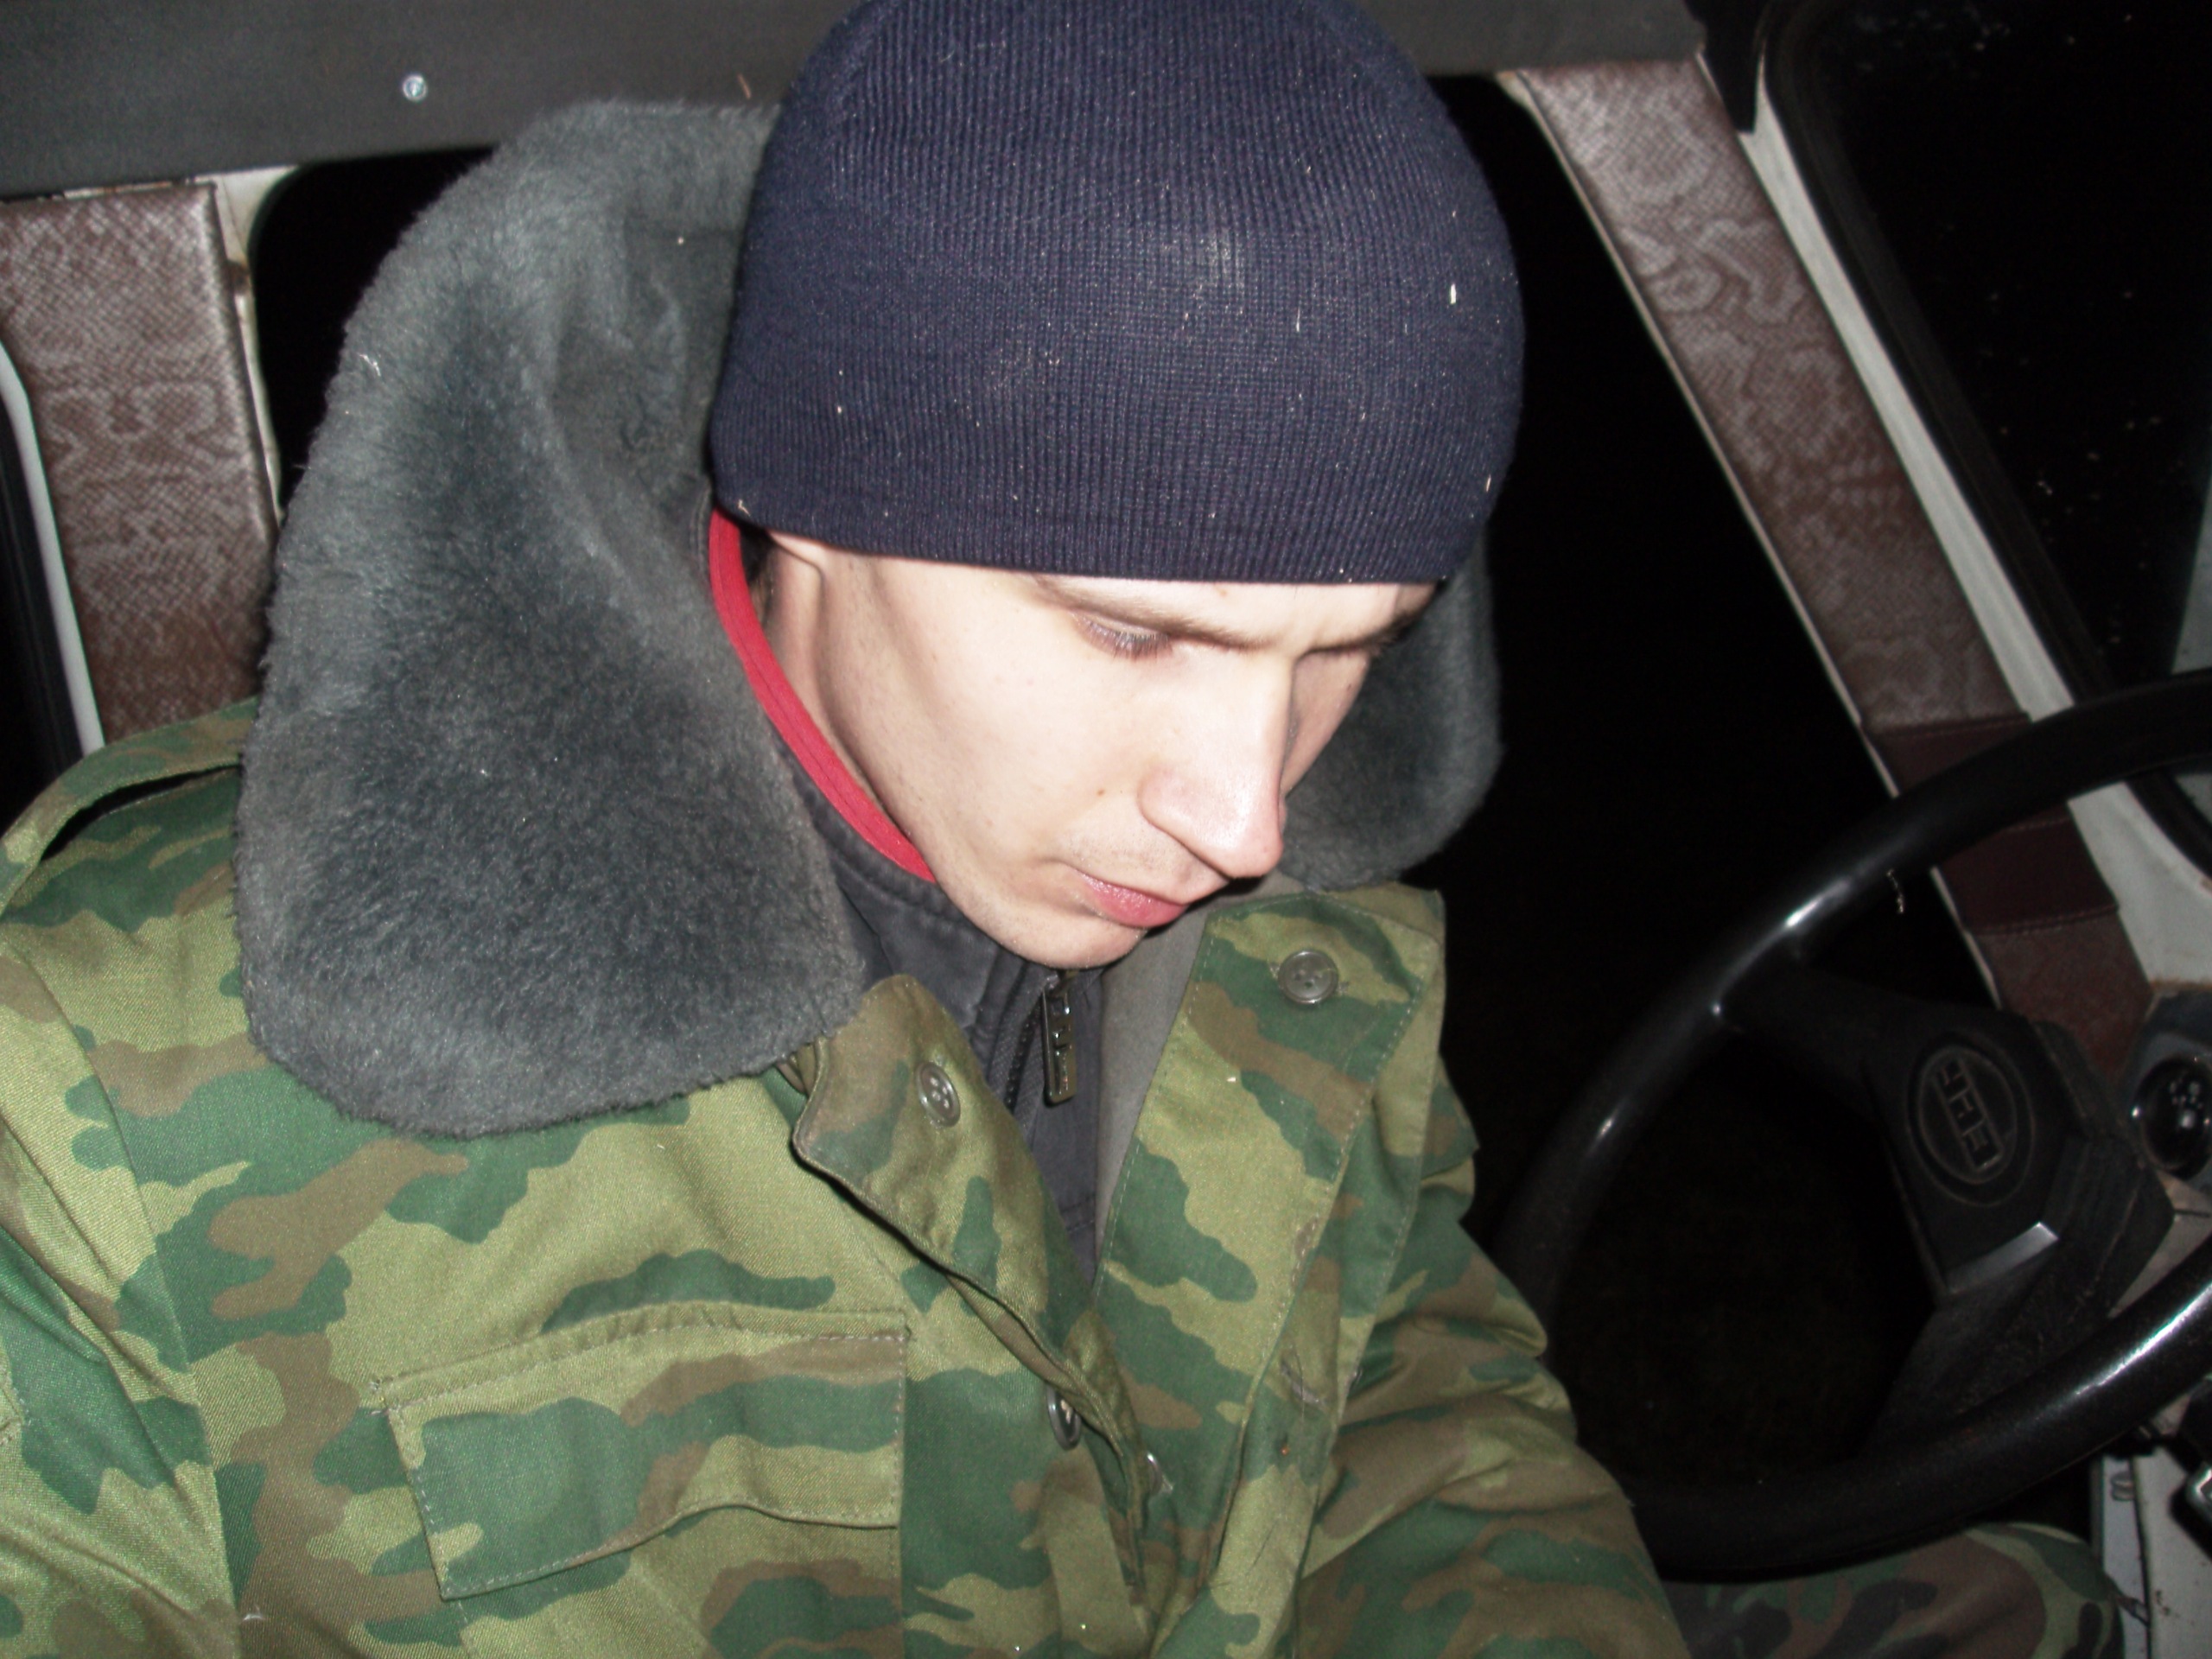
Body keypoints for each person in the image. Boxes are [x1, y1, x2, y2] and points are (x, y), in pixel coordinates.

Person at [0, 1, 2120, 1655]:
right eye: (1131, 635)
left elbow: (1400, 1429)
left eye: (1347, 651)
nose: (1243, 814)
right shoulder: (102, 1109)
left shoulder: (1304, 974)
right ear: (808, 496)